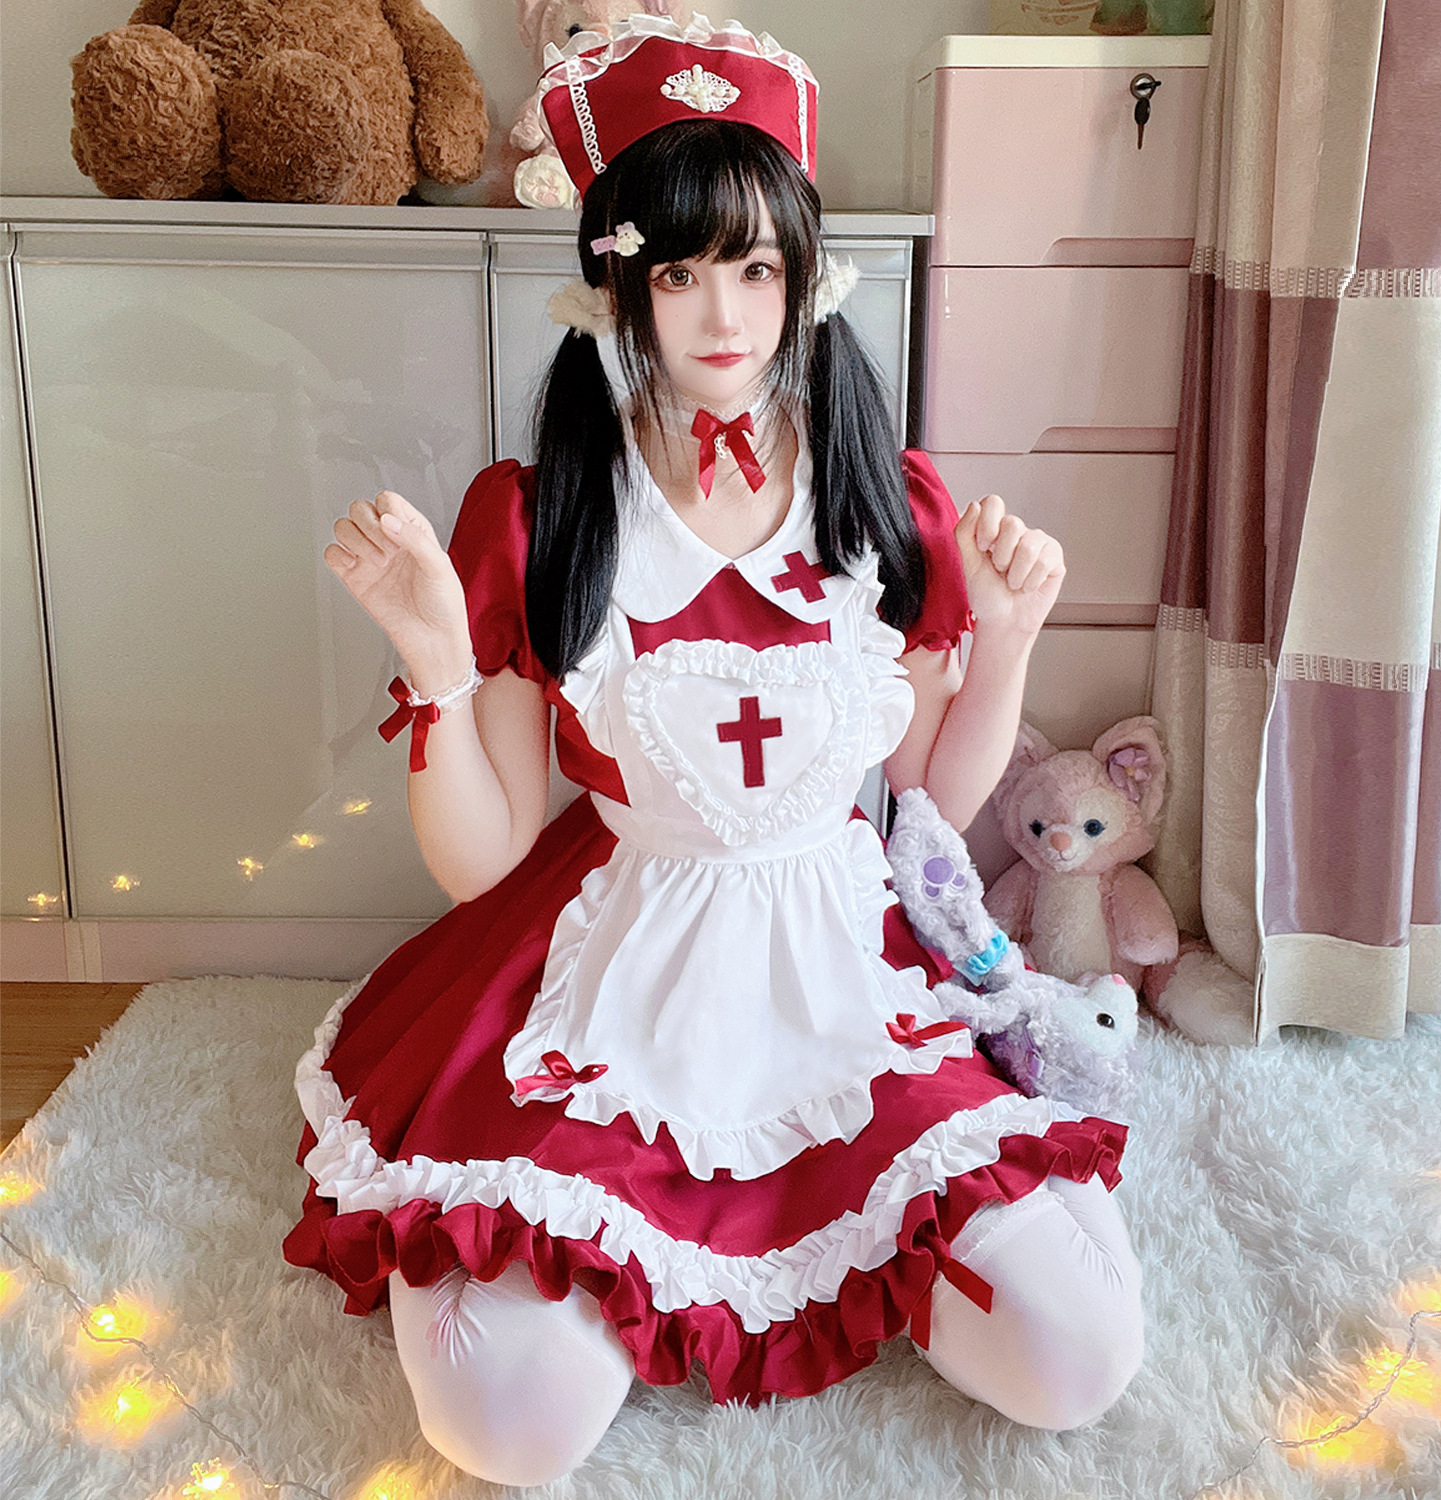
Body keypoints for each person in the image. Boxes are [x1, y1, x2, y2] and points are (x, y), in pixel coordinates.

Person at [285, 16, 1143, 1487]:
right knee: (504, 1431)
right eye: (678, 273)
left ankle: (864, 1247)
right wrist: (436, 662)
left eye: (754, 267)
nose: (722, 316)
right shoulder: (537, 514)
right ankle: (642, 1278)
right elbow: (486, 860)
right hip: (619, 948)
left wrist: (1005, 639)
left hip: (841, 952)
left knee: (1078, 1365)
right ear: (618, 283)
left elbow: (931, 801)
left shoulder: (888, 501)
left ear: (804, 273)